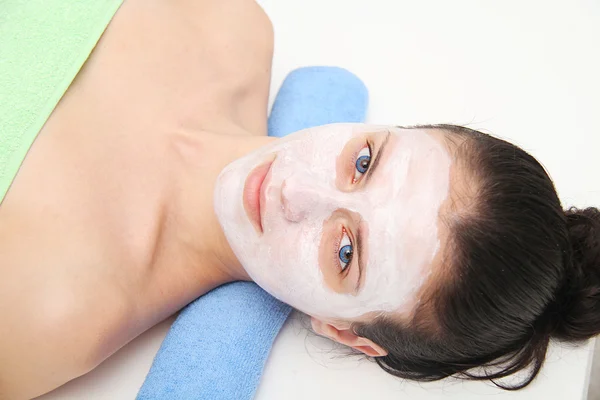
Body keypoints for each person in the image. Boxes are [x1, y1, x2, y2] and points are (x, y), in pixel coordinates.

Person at [0, 0, 598, 398]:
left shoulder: (44, 313)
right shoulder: (226, 21)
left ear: (343, 332)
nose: (296, 189)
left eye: (344, 252)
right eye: (364, 162)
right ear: (404, 128)